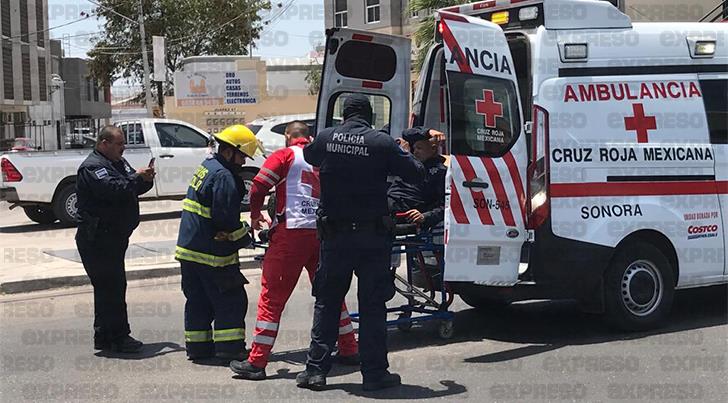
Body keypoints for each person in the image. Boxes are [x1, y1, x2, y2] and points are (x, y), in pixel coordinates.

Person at [296, 94, 425, 391]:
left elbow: (310, 156)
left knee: (327, 303)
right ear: (369, 115)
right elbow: (416, 174)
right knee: (372, 306)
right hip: (372, 239)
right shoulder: (381, 142)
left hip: (336, 237)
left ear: (344, 114)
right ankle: (374, 374)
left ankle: (316, 371)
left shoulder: (327, 137)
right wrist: (402, 151)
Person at [230, 121, 359, 380]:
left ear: (288, 137)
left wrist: (255, 215)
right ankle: (349, 348)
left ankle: (257, 362)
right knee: (330, 294)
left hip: (291, 235)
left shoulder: (285, 155)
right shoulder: (323, 156)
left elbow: (258, 186)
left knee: (272, 298)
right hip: (322, 234)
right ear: (309, 137)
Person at [175, 125, 255, 363]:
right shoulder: (224, 176)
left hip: (189, 251)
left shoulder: (208, 166)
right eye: (242, 156)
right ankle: (230, 349)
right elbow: (226, 220)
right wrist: (245, 236)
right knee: (231, 300)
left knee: (198, 301)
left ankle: (198, 349)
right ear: (230, 151)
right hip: (213, 255)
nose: (243, 162)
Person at [75, 125, 155, 353]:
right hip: (97, 239)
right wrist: (136, 178)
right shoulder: (93, 168)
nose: (123, 147)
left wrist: (145, 179)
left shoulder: (118, 163)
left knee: (108, 288)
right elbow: (114, 189)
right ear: (104, 143)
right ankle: (119, 337)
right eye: (119, 144)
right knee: (111, 287)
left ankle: (105, 337)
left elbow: (130, 188)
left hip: (114, 237)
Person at [388, 126, 447, 229]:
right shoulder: (411, 164)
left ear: (433, 149)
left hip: (408, 209)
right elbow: (406, 133)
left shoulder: (440, 172)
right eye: (414, 148)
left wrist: (425, 216)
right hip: (390, 200)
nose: (415, 152)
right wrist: (427, 132)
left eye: (419, 148)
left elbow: (444, 206)